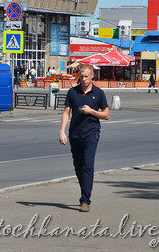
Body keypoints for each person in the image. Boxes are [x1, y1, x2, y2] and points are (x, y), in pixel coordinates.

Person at [59, 63, 110, 213]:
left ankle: (85, 200)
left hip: (91, 133)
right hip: (75, 134)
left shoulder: (98, 93)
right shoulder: (72, 92)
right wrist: (62, 131)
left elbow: (106, 115)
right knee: (78, 166)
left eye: (87, 76)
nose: (84, 79)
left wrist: (92, 111)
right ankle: (85, 189)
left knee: (88, 165)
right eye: (81, 76)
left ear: (92, 76)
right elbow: (66, 113)